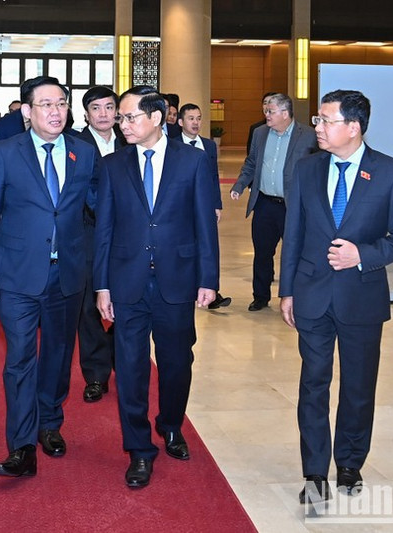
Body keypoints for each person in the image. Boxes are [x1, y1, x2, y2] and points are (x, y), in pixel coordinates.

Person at [279, 90, 393, 504]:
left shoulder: (391, 173)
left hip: (361, 296)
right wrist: (286, 290)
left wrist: (364, 255)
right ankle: (314, 472)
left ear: (353, 128)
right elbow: (295, 233)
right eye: (318, 120)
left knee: (358, 387)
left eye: (325, 120)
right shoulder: (306, 169)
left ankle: (350, 462)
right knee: (313, 384)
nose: (317, 127)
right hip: (312, 294)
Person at [94, 85, 219, 489]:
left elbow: (205, 225)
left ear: (156, 116)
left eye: (130, 117)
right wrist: (102, 286)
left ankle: (170, 425)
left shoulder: (195, 162)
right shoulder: (113, 165)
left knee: (177, 362)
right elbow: (105, 230)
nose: (122, 123)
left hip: (177, 280)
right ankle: (138, 448)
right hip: (127, 281)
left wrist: (208, 278)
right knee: (130, 369)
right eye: (121, 117)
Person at [0, 76, 101, 478]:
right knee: (20, 359)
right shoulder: (6, 152)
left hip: (67, 275)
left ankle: (50, 423)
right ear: (27, 112)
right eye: (45, 104)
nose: (55, 111)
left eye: (61, 103)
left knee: (59, 355)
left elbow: (101, 207)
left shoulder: (84, 152)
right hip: (16, 275)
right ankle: (22, 445)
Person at [230, 93, 317, 312]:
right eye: (265, 111)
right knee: (262, 252)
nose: (266, 115)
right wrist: (239, 185)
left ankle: (294, 296)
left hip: (293, 206)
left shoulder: (308, 135)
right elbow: (251, 162)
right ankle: (260, 296)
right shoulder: (260, 133)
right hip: (264, 204)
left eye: (270, 111)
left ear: (285, 113)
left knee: (294, 252)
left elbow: (318, 168)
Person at [74, 86, 125, 403]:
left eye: (109, 107)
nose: (104, 114)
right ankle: (95, 374)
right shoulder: (76, 146)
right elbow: (82, 190)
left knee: (129, 300)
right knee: (88, 306)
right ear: (86, 114)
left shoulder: (130, 139)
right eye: (97, 108)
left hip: (129, 238)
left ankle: (118, 355)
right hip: (88, 233)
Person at [178, 102, 231, 310]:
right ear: (181, 122)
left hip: (204, 205)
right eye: (191, 118)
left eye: (199, 118)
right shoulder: (172, 144)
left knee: (207, 245)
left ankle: (211, 289)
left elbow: (213, 176)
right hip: (181, 206)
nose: (196, 123)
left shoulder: (208, 146)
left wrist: (216, 204)